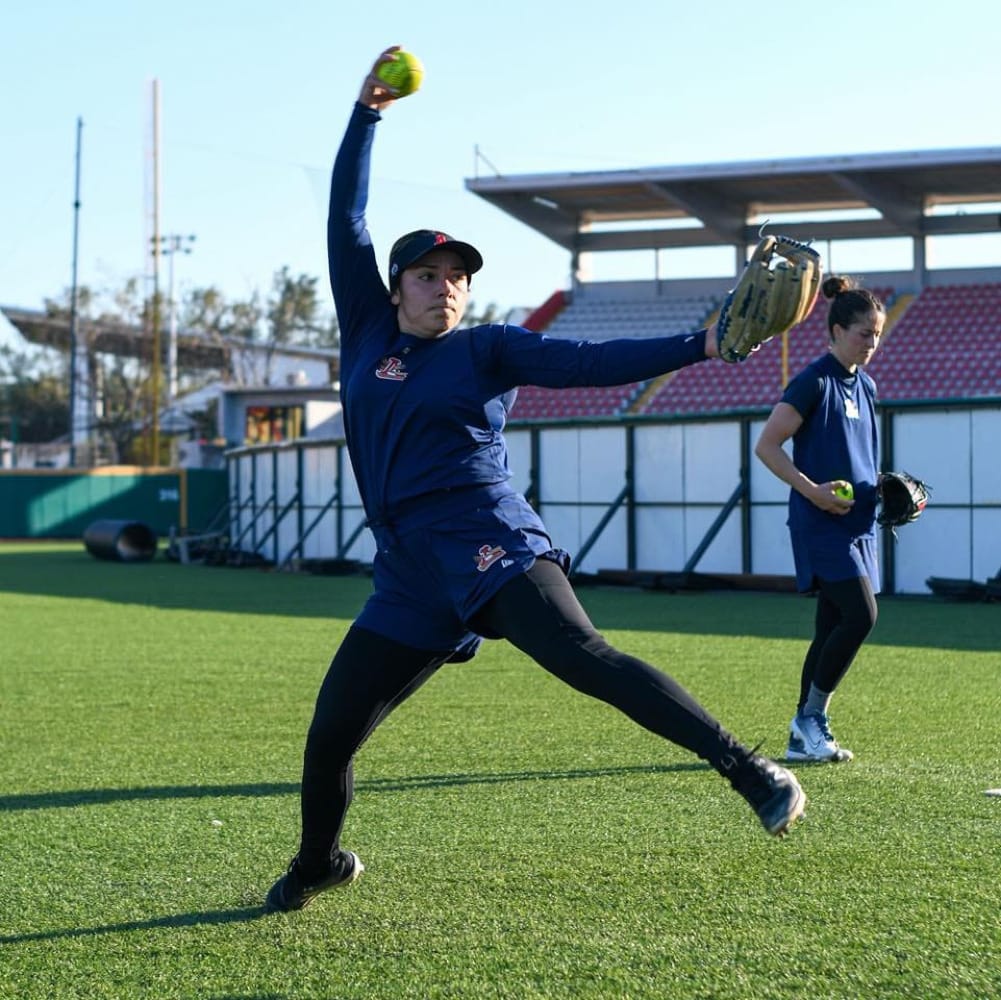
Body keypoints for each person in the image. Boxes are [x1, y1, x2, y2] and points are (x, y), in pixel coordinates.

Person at [264, 47, 806, 913]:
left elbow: (591, 360)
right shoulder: (367, 335)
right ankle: (317, 863)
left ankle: (748, 770)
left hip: (487, 535)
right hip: (407, 570)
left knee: (579, 654)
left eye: (459, 277)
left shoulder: (488, 347)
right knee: (330, 738)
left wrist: (701, 344)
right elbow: (346, 217)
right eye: (429, 274)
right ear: (397, 287)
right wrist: (365, 116)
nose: (446, 286)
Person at [754, 275, 886, 764]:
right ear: (835, 330)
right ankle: (810, 720)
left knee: (832, 624)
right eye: (862, 333)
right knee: (861, 615)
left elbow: (857, 458)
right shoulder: (813, 380)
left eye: (876, 334)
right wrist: (813, 492)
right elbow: (767, 446)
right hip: (819, 523)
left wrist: (888, 493)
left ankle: (801, 734)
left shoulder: (867, 385)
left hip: (857, 525)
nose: (871, 343)